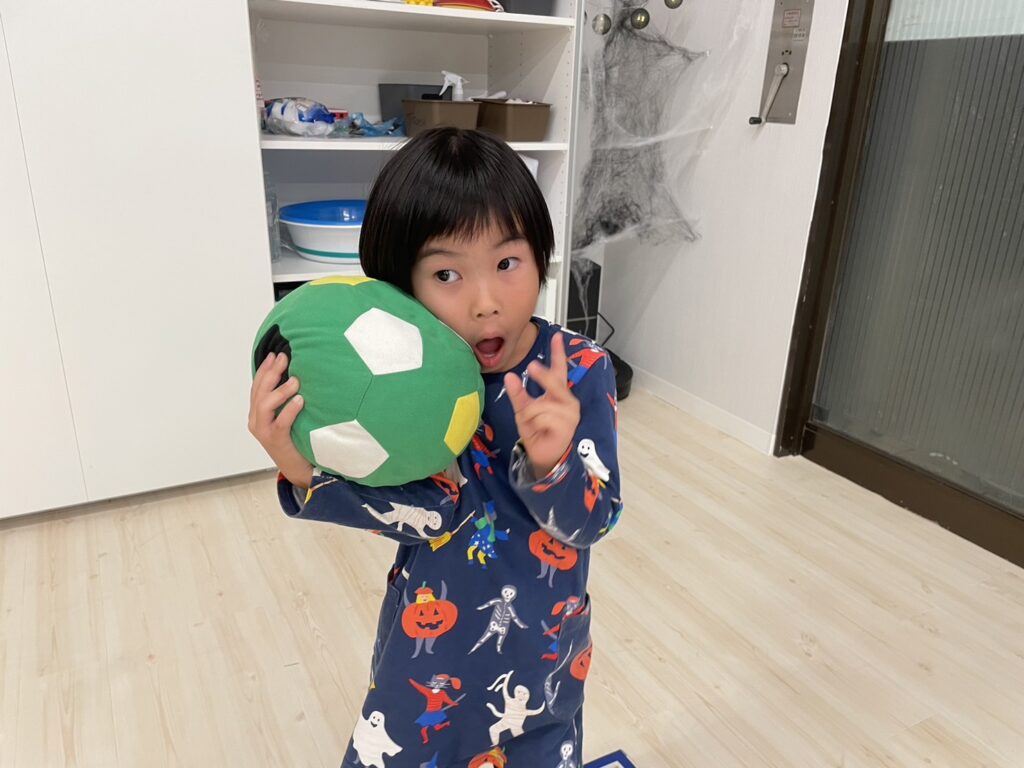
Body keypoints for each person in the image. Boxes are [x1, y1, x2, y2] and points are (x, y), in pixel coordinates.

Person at [248, 128, 623, 766]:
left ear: (540, 256)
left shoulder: (580, 369)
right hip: (431, 635)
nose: (486, 304)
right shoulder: (413, 383)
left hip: (544, 643)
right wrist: (298, 466)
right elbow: (427, 513)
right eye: (447, 274)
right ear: (403, 288)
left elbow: (593, 521)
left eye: (508, 263)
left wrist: (551, 462)